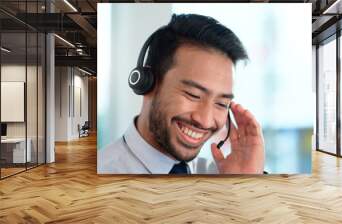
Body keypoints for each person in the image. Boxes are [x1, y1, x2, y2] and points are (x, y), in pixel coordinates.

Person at [98, 14, 265, 174]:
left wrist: (244, 182)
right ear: (147, 83)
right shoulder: (102, 175)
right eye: (193, 95)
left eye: (221, 104)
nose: (205, 120)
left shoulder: (221, 175)